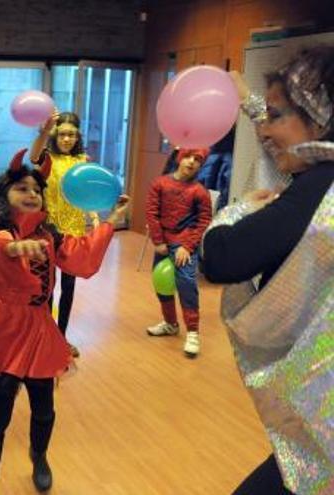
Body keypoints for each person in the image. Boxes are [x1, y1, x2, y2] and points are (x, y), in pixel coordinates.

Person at [203, 47, 334, 495]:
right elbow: (283, 138)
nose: (265, 130)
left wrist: (235, 213)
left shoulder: (321, 188)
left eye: (274, 116)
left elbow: (222, 257)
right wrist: (253, 103)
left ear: (319, 120)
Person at [0, 149, 129, 494]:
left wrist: (112, 219)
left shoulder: (50, 236)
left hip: (39, 330)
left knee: (44, 409)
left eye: (36, 190)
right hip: (5, 331)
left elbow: (81, 259)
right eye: (22, 188)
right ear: (4, 196)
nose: (31, 194)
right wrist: (18, 250)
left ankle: (39, 456)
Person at [29, 112, 98, 357]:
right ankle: (44, 335)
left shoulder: (83, 160)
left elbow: (87, 192)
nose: (67, 139)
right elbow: (33, 156)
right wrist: (44, 131)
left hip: (74, 231)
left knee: (69, 287)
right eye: (62, 134)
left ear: (77, 136)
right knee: (46, 287)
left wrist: (94, 215)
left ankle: (61, 337)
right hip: (48, 230)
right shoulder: (47, 158)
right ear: (56, 135)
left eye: (71, 134)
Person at [145, 147, 212, 357]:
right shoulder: (160, 184)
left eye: (198, 160)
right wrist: (158, 241)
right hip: (163, 243)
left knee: (186, 284)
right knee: (161, 283)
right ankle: (170, 323)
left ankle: (193, 332)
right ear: (179, 158)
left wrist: (187, 246)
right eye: (188, 157)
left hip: (184, 245)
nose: (192, 162)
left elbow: (203, 221)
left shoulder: (200, 191)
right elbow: (151, 212)